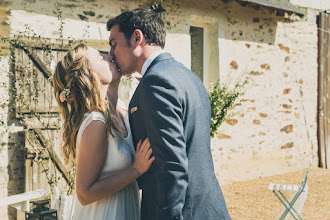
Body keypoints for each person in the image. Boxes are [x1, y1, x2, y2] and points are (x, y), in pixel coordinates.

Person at [107, 8, 231, 220]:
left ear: (137, 38)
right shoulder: (188, 76)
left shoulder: (156, 82)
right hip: (207, 209)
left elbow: (171, 167)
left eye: (113, 44)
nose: (111, 54)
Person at [52, 43, 155, 220]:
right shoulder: (96, 122)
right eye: (101, 57)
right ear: (88, 76)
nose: (110, 57)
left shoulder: (122, 108)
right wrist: (135, 170)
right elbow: (84, 194)